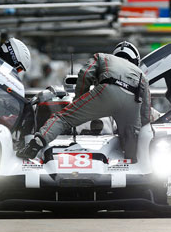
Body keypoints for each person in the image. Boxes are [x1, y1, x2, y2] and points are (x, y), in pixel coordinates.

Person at [17, 41, 151, 162]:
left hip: (108, 91)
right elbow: (145, 112)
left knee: (63, 118)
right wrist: (140, 128)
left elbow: (85, 73)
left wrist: (78, 100)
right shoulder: (141, 74)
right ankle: (133, 161)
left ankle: (36, 144)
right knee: (132, 138)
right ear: (135, 60)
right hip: (132, 102)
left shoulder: (102, 57)